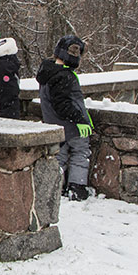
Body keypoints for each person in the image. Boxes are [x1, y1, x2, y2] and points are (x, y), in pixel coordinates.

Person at [37, 35, 94, 201]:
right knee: (80, 153)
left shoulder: (47, 73)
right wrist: (79, 120)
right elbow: (64, 104)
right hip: (72, 126)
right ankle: (77, 187)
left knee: (58, 157)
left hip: (54, 124)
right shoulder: (64, 77)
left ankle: (54, 187)